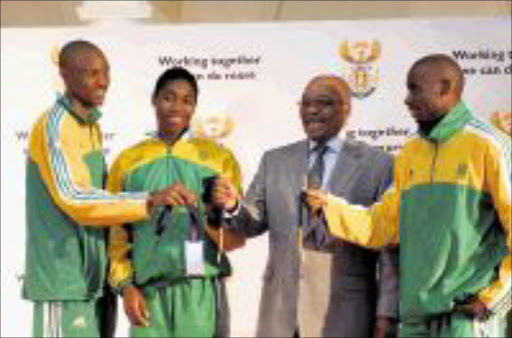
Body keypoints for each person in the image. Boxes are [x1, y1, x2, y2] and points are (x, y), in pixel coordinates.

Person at [305, 54, 511, 337]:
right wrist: (330, 208)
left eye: (415, 88)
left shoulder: (490, 145)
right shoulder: (411, 151)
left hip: (465, 317)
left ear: (445, 87)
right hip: (414, 319)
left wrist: (494, 299)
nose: (406, 99)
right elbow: (384, 225)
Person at [212, 75, 399, 337]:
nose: (312, 110)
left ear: (347, 108)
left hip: (347, 313)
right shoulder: (274, 160)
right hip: (281, 314)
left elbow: (390, 248)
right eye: (305, 103)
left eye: (323, 103)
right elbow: (251, 222)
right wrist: (232, 205)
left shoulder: (380, 165)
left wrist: (387, 312)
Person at [23, 40, 181, 338]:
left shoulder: (89, 125)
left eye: (106, 72)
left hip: (93, 283)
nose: (103, 81)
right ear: (66, 74)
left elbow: (103, 203)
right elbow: (74, 196)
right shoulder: (53, 126)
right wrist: (148, 200)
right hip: (63, 283)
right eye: (92, 73)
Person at [107, 66, 245, 338]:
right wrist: (125, 286)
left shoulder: (219, 159)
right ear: (154, 100)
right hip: (148, 295)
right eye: (169, 97)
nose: (177, 107)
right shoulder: (127, 162)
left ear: (194, 107)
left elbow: (237, 234)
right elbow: (116, 232)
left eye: (187, 100)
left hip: (201, 293)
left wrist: (214, 211)